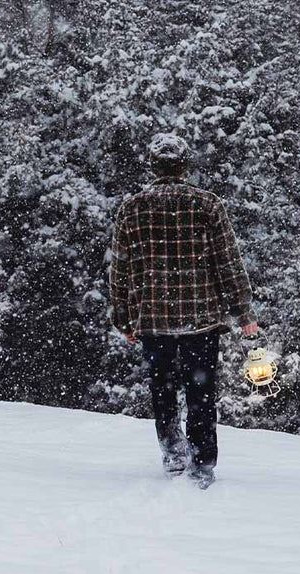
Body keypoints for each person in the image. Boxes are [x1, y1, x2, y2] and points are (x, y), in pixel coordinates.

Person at [109, 133, 259, 489]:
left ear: (152, 165)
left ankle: (173, 454)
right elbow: (228, 263)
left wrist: (123, 318)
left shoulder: (132, 208)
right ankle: (202, 462)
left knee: (162, 389)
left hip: (154, 319)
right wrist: (244, 312)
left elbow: (121, 270)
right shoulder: (207, 205)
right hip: (201, 317)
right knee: (201, 392)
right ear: (184, 165)